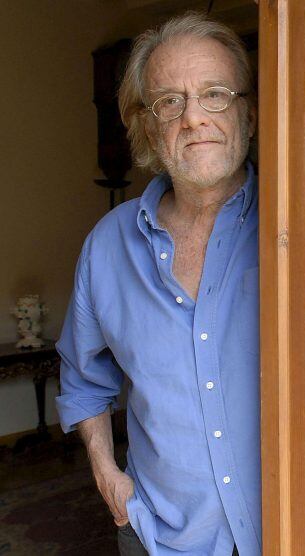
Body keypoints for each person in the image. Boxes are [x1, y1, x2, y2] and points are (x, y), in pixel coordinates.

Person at [55, 12, 260, 556]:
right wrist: (105, 470)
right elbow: (82, 376)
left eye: (215, 94)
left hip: (293, 529)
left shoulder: (302, 229)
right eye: (169, 101)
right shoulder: (106, 247)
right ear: (148, 127)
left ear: (249, 113)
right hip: (160, 538)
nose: (194, 118)